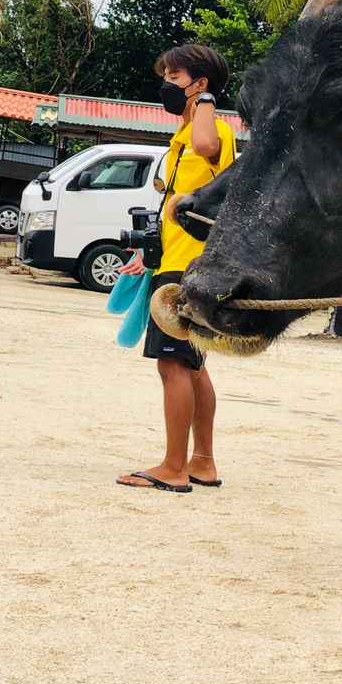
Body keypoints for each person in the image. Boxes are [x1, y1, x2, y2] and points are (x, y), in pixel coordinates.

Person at [117, 44, 236, 493]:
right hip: (177, 260)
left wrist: (204, 102)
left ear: (199, 84)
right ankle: (202, 462)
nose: (165, 84)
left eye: (174, 76)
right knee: (193, 365)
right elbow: (174, 208)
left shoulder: (212, 130)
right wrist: (148, 255)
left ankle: (173, 467)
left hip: (189, 269)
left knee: (172, 364)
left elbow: (207, 145)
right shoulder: (181, 138)